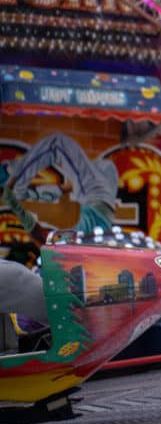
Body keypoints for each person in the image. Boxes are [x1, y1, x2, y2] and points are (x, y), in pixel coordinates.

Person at [0, 134, 119, 328]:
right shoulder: (74, 260)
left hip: (96, 200)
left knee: (93, 164)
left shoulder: (63, 252)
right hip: (97, 198)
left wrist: (15, 203)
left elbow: (35, 229)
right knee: (60, 143)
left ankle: (13, 180)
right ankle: (10, 175)